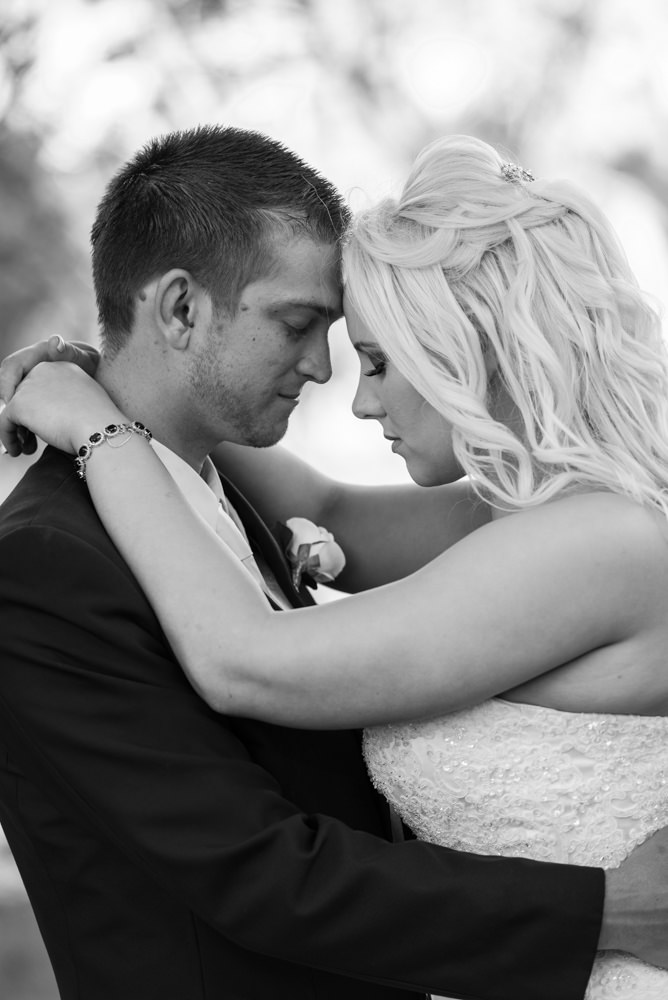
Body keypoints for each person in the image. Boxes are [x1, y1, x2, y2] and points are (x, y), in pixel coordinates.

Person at [0, 128, 666, 1000]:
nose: (337, 381)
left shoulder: (591, 541)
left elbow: (241, 659)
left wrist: (100, 424)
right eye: (299, 325)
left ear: (471, 349)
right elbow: (333, 506)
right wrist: (105, 384)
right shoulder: (49, 560)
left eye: (376, 357)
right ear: (178, 310)